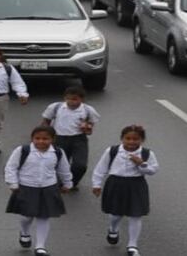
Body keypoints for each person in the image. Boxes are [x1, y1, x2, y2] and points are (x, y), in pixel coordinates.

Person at [4, 125, 73, 255]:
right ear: (32, 138)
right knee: (26, 216)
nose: (41, 141)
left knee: (44, 217)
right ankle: (24, 231)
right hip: (27, 187)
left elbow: (64, 169)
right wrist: (12, 182)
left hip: (48, 188)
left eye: (45, 139)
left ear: (52, 139)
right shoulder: (23, 150)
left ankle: (40, 246)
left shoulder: (58, 152)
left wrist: (68, 183)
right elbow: (11, 167)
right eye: (37, 138)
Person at [91, 124, 158, 256]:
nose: (131, 142)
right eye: (128, 138)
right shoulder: (112, 151)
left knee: (136, 215)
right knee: (116, 214)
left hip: (136, 185)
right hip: (116, 183)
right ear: (122, 138)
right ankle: (113, 229)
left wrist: (142, 164)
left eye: (135, 139)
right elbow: (101, 168)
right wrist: (96, 184)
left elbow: (153, 170)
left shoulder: (147, 153)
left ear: (141, 140)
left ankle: (132, 245)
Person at [41, 85, 100, 189]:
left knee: (80, 165)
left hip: (78, 139)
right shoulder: (56, 107)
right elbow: (46, 121)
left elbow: (90, 127)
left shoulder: (87, 110)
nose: (71, 102)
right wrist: (45, 136)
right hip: (59, 138)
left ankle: (72, 182)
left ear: (81, 99)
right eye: (68, 98)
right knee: (60, 164)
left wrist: (86, 127)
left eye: (75, 99)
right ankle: (60, 182)